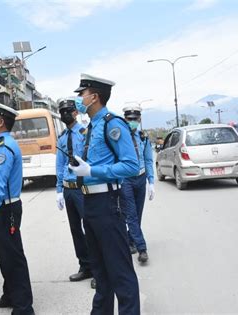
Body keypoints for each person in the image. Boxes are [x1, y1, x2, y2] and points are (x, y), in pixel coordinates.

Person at [69, 74, 141, 314]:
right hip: (89, 202)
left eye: (82, 94)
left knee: (120, 272)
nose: (79, 98)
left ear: (94, 96)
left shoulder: (113, 123)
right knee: (100, 272)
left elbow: (131, 165)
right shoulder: (93, 126)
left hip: (107, 203)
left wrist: (92, 170)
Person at [0, 102, 35, 315]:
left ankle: (24, 307)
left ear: (0, 122)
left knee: (13, 257)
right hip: (3, 209)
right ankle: (10, 294)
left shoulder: (4, 148)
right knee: (5, 254)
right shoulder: (0, 144)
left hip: (6, 209)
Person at [55, 96, 93, 283]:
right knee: (75, 230)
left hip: (82, 188)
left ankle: (98, 268)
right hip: (68, 190)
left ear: (76, 113)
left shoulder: (85, 133)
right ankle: (85, 265)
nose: (64, 115)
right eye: (61, 112)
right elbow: (60, 165)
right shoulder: (62, 138)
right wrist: (59, 190)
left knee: (91, 228)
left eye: (68, 111)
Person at [121, 106, 155, 263]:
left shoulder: (143, 137)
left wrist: (151, 182)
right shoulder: (120, 137)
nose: (132, 122)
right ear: (124, 119)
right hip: (126, 180)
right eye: (129, 119)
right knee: (131, 215)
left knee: (138, 214)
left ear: (140, 120)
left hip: (140, 179)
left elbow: (148, 160)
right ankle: (142, 249)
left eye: (135, 119)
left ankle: (131, 240)